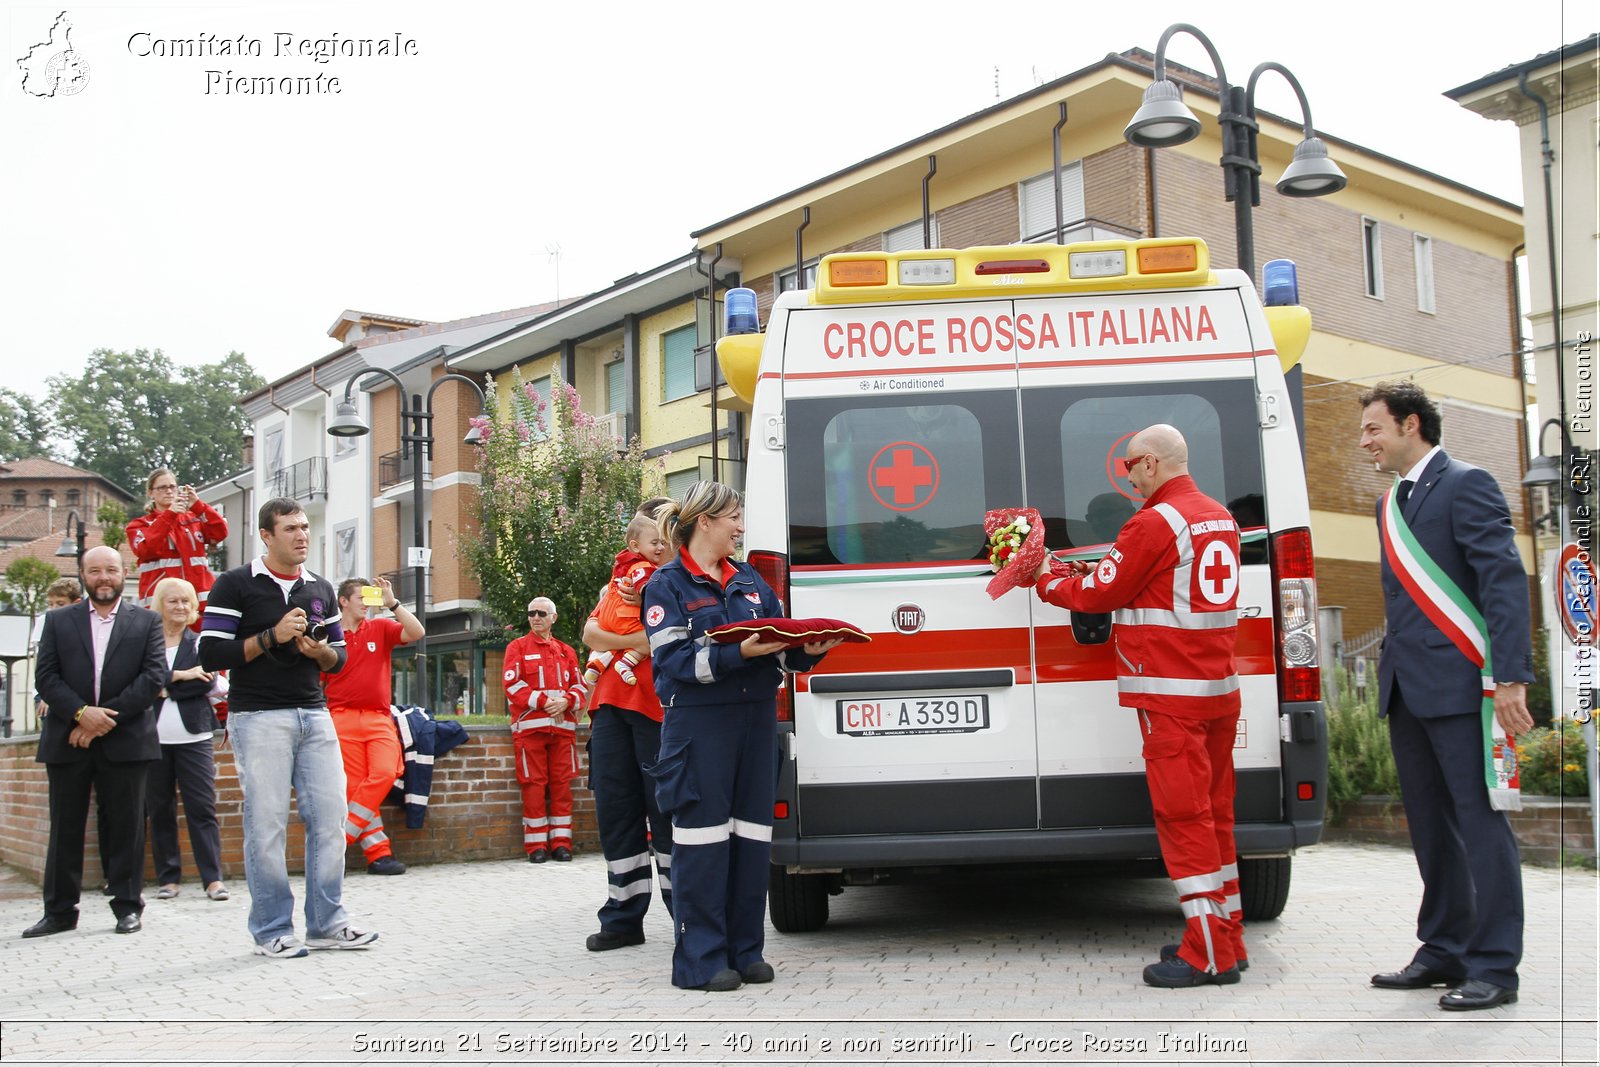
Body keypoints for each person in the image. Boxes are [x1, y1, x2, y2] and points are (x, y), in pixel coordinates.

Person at [1031, 425, 1246, 988]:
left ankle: (1207, 954)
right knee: (1217, 816)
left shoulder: (1154, 522)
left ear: (1151, 463)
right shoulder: (1218, 515)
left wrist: (1045, 579)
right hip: (1217, 690)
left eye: (1129, 466)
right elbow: (1152, 584)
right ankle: (1228, 935)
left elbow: (1101, 592)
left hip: (1170, 695)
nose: (1127, 478)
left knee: (1184, 820)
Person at [1357, 381, 1534, 1012]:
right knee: (1432, 830)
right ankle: (1444, 948)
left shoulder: (1468, 483)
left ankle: (1494, 967)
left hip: (1465, 689)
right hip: (1407, 689)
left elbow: (1503, 584)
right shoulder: (1389, 505)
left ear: (1410, 425)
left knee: (1481, 826)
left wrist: (1511, 677)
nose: (1365, 442)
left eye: (1374, 429)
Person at [643, 481, 840, 992]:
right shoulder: (666, 585)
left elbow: (782, 647)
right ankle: (701, 960)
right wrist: (738, 655)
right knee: (702, 843)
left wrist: (811, 649)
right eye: (733, 516)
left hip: (755, 722)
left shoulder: (750, 580)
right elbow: (674, 662)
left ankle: (744, 949)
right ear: (704, 520)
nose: (741, 526)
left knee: (752, 840)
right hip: (699, 727)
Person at [198, 497, 376, 959]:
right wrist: (270, 638)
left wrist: (317, 653)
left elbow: (338, 658)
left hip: (315, 714)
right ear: (267, 535)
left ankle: (327, 924)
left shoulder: (319, 586)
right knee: (267, 825)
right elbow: (211, 654)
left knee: (331, 820)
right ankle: (272, 930)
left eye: (303, 528)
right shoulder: (234, 584)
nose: (301, 536)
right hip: (257, 716)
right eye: (291, 529)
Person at [25, 546, 166, 938]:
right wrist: (80, 714)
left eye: (111, 570)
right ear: (83, 575)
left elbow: (153, 678)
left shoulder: (148, 621)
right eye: (95, 571)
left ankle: (127, 907)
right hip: (68, 739)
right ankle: (59, 912)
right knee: (65, 827)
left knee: (126, 826)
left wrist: (101, 720)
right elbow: (47, 677)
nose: (104, 577)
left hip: (127, 739)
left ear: (125, 573)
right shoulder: (57, 620)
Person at [581, 497, 675, 952]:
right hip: (610, 711)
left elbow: (669, 636)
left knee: (670, 816)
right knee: (616, 815)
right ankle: (622, 918)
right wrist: (631, 641)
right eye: (651, 536)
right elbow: (589, 634)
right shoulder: (620, 582)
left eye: (665, 535)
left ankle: (688, 916)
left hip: (661, 711)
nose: (657, 545)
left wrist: (620, 643)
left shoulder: (682, 581)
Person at [321, 576, 423, 876]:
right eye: (361, 596)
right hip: (340, 717)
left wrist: (392, 603)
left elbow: (417, 632)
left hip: (378, 717)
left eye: (371, 596)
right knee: (356, 788)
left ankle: (340, 843)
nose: (367, 602)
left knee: (384, 773)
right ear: (343, 601)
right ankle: (379, 855)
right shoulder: (330, 634)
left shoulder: (379, 627)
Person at [146, 576, 229, 903]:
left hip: (194, 735)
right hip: (152, 738)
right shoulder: (147, 644)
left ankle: (213, 879)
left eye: (186, 601)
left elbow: (205, 683)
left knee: (201, 807)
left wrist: (164, 687)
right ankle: (169, 879)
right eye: (173, 601)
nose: (180, 607)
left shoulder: (199, 644)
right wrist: (180, 677)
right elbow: (140, 681)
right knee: (159, 808)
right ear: (160, 606)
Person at [503, 595, 584, 863]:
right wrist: (547, 702)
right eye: (531, 613)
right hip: (530, 732)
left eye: (541, 613)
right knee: (534, 786)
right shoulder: (517, 647)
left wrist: (566, 701)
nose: (535, 617)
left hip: (562, 732)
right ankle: (536, 846)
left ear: (553, 618)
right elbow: (513, 686)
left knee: (562, 786)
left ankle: (562, 843)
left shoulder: (566, 651)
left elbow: (580, 687)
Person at [125, 469, 227, 626]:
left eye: (172, 486)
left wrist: (198, 506)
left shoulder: (192, 520)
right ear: (151, 493)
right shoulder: (139, 525)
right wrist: (169, 515)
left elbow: (219, 532)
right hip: (162, 607)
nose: (168, 491)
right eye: (162, 487)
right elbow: (147, 550)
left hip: (198, 605)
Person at [582, 512, 670, 689]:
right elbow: (590, 635)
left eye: (662, 542)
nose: (660, 547)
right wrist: (637, 640)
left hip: (648, 695)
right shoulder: (641, 572)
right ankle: (616, 664)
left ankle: (597, 664)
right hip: (618, 694)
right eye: (654, 542)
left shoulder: (630, 569)